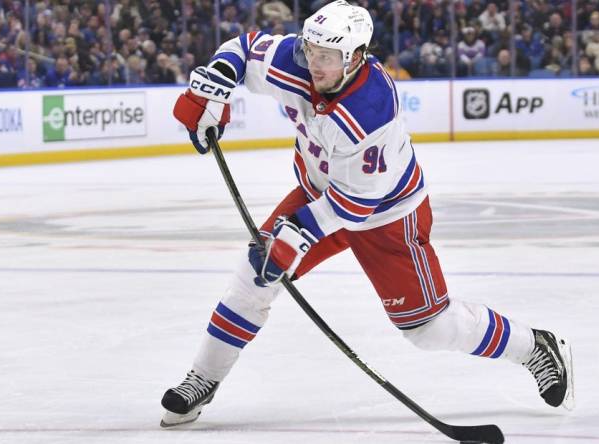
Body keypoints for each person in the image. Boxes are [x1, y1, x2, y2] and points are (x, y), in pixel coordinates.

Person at [162, 0, 575, 428]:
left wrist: (295, 234)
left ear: (356, 57)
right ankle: (203, 379)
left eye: (327, 57)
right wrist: (216, 84)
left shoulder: (369, 108)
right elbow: (245, 47)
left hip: (387, 215)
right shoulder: (300, 61)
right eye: (311, 51)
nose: (314, 64)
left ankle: (535, 347)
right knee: (254, 277)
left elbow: (357, 204)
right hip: (318, 192)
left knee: (428, 330)